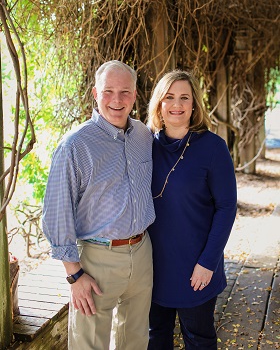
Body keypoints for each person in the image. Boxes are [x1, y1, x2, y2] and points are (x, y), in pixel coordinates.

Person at [42, 60, 155, 350]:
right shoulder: (75, 145)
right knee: (89, 343)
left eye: (124, 92)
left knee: (136, 339)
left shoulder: (143, 136)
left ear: (135, 95)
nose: (116, 100)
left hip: (142, 252)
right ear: (95, 93)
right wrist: (74, 274)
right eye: (108, 91)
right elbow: (57, 213)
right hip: (96, 259)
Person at [147, 70, 237, 350]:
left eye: (184, 97)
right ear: (159, 104)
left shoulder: (213, 147)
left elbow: (226, 207)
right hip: (151, 266)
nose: (177, 104)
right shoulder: (143, 145)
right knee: (155, 336)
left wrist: (208, 263)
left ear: (194, 104)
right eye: (169, 97)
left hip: (196, 267)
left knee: (198, 339)